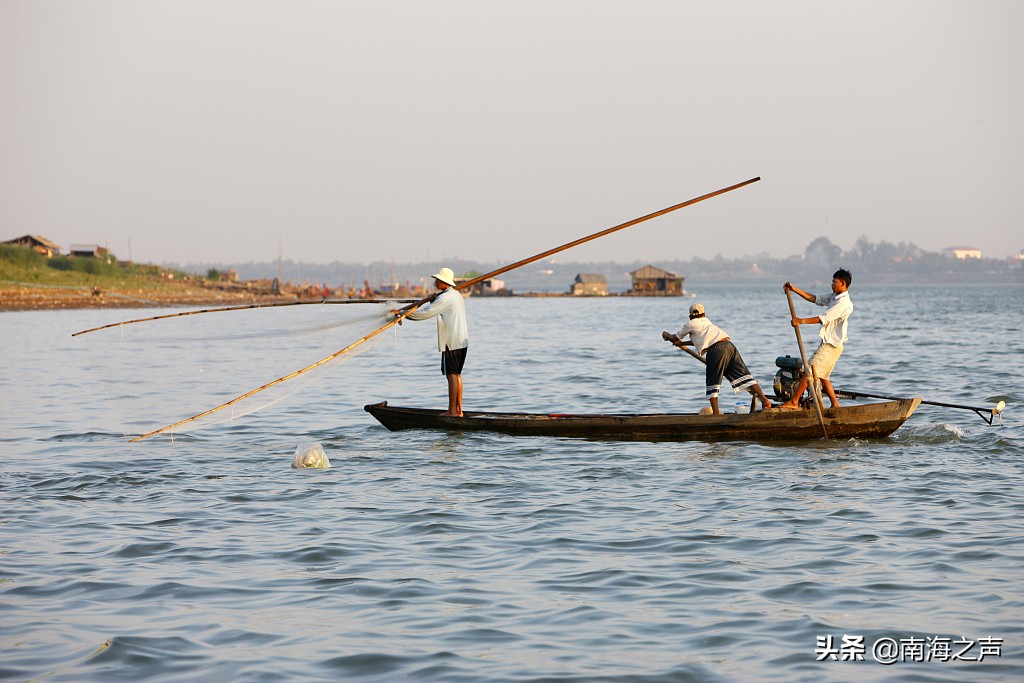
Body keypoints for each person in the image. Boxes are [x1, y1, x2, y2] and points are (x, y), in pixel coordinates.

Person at [662, 303, 773, 414]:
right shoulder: (707, 321)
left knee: (712, 381)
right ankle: (765, 400)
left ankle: (716, 413)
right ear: (704, 314)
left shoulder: (690, 324)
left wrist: (666, 334)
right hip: (729, 346)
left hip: (715, 350)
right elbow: (701, 339)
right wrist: (682, 343)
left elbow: (674, 337)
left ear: (690, 316)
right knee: (744, 375)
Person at [391, 267, 468, 417]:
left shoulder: (445, 298)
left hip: (451, 341)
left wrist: (402, 314)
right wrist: (434, 299)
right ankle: (459, 411)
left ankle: (452, 412)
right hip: (461, 341)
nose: (435, 282)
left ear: (444, 282)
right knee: (456, 374)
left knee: (451, 375)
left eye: (438, 280)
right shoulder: (455, 295)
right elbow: (437, 305)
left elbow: (425, 314)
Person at [779, 268, 853, 410]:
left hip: (832, 346)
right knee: (824, 377)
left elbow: (823, 319)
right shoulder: (834, 297)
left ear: (843, 283)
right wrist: (794, 289)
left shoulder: (843, 303)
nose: (831, 284)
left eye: (834, 282)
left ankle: (794, 402)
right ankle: (835, 404)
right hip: (829, 344)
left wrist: (801, 321)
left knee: (808, 371)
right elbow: (814, 298)